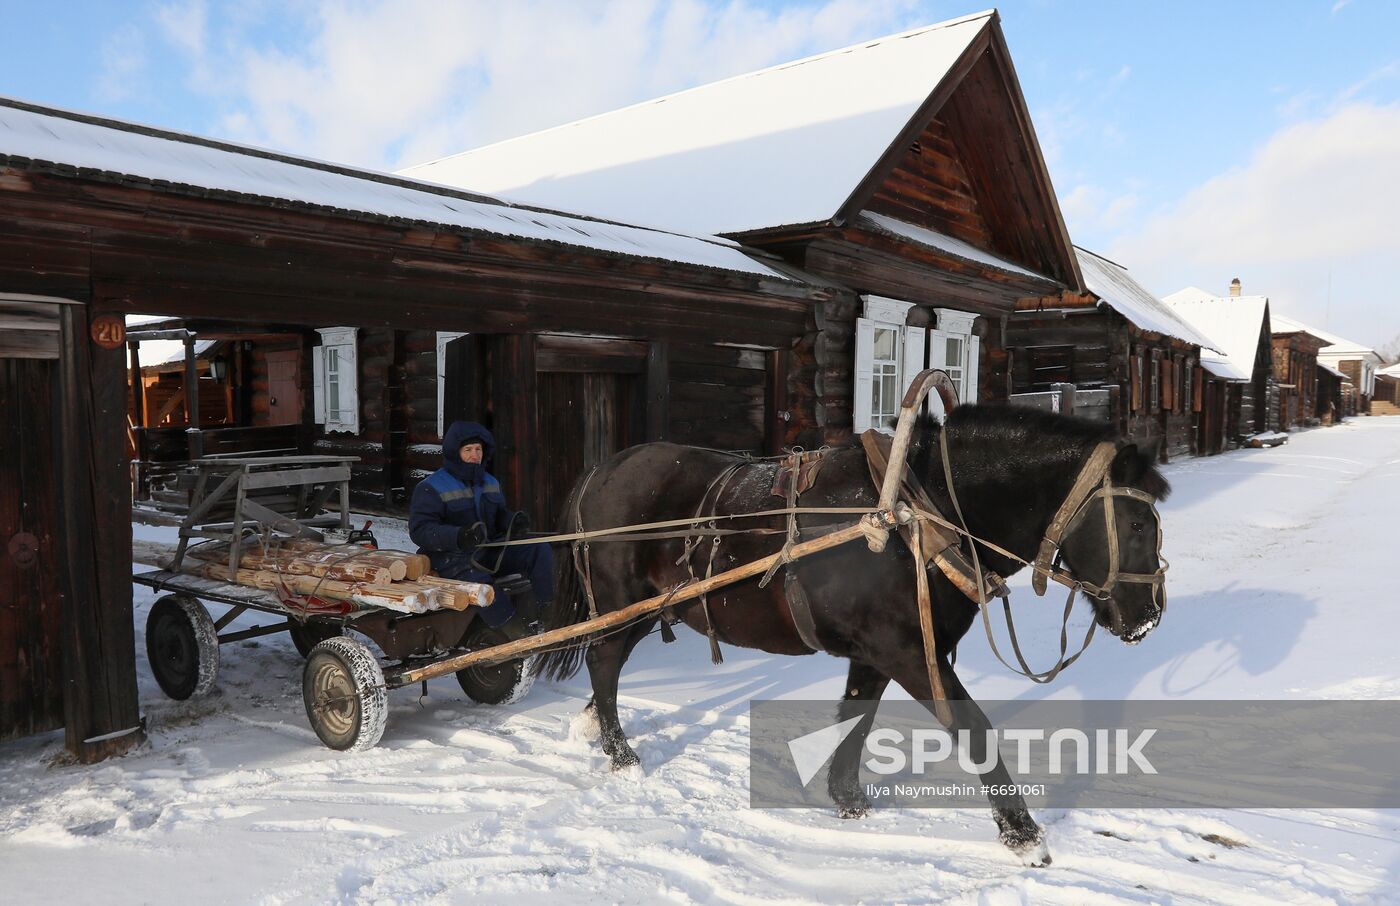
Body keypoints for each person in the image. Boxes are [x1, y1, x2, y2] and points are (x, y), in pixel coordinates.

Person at [409, 420, 553, 633]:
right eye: (468, 449)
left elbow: (497, 518)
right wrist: (459, 536)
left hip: (488, 550)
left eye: (478, 449)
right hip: (450, 559)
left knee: (539, 549)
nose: (474, 455)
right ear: (454, 452)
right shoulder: (431, 487)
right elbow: (420, 530)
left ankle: (550, 615)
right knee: (483, 586)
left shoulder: (490, 482)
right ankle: (515, 633)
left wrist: (511, 521)